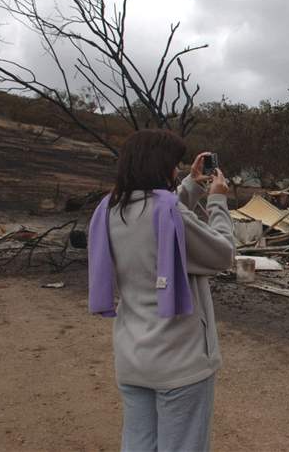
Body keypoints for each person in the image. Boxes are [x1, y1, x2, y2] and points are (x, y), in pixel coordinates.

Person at [88, 129, 234, 452]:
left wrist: (191, 188)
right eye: (174, 164)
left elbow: (161, 217)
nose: (178, 170)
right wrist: (218, 201)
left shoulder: (111, 211)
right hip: (180, 364)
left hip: (133, 359)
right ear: (158, 166)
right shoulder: (169, 212)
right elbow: (222, 254)